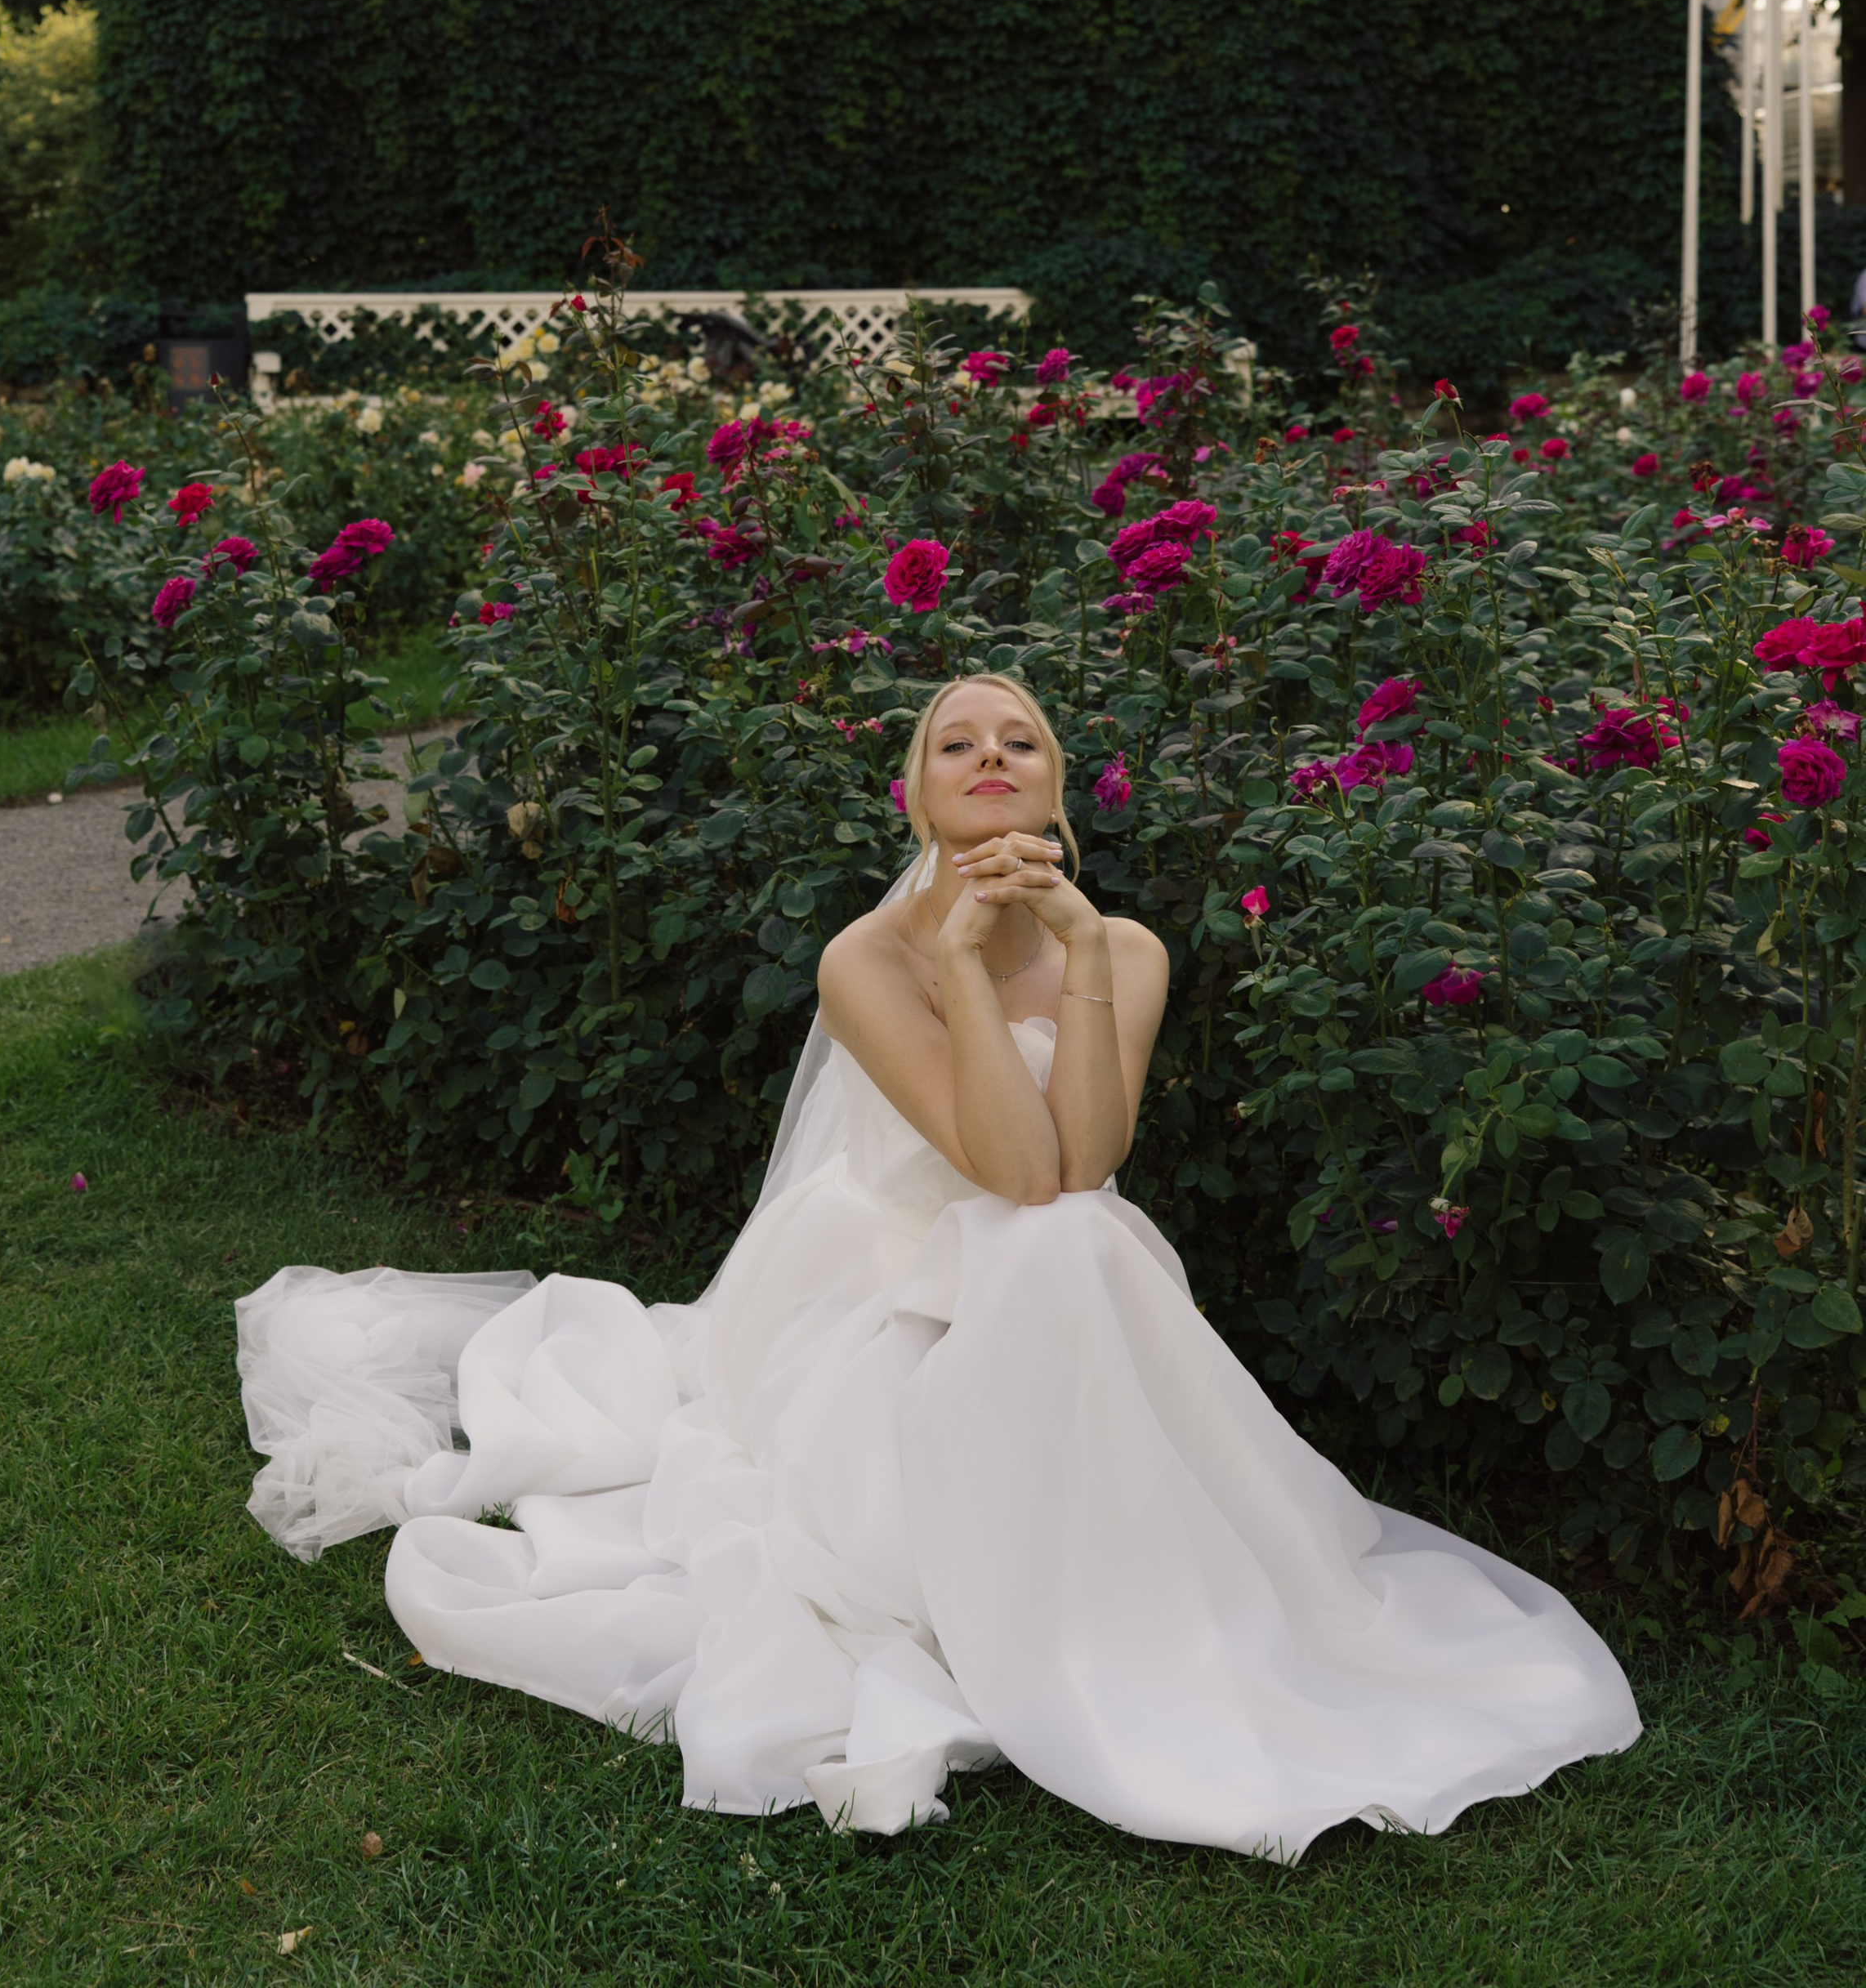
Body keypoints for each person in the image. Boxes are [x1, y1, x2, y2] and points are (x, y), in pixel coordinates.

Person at [234, 672, 1639, 1848]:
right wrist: (962, 963)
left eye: (1017, 739)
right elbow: (1006, 1169)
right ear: (917, 794)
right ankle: (1081, 1619)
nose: (987, 756)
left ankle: (1146, 1604)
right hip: (882, 1300)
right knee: (1053, 1238)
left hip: (1053, 1275)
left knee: (1070, 1238)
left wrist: (1077, 950)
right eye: (954, 742)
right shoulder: (868, 956)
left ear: (1055, 789)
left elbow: (1080, 1158)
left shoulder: (1126, 946)